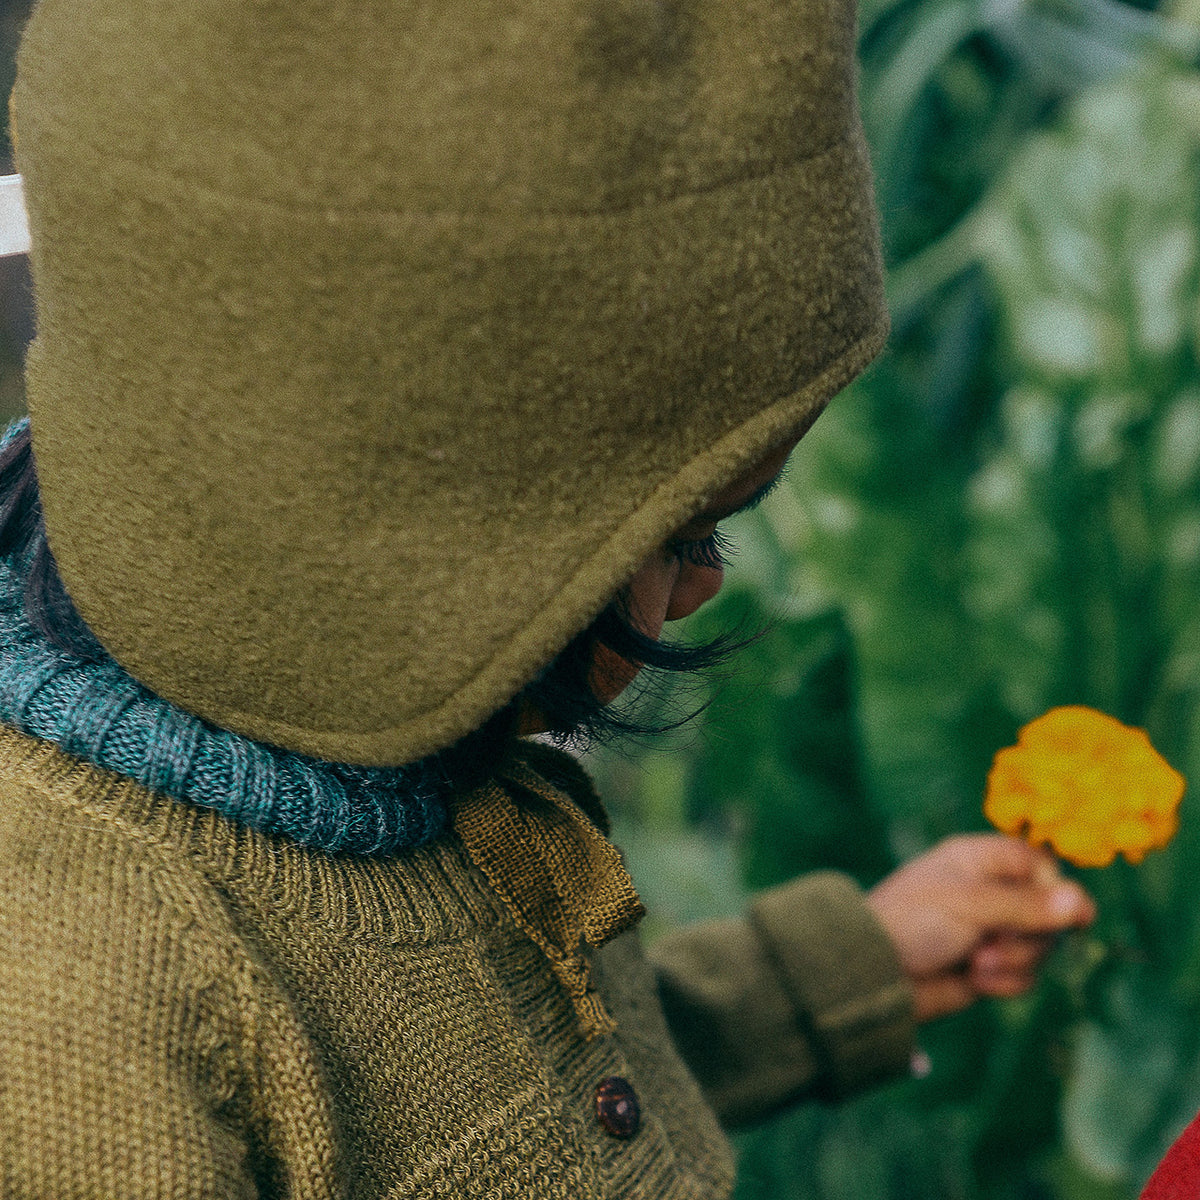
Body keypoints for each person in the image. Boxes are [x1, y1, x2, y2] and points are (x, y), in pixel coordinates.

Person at [0, 0, 1094, 1195]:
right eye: (684, 533)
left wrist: (825, 977)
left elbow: (520, 1097)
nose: (705, 586)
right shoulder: (78, 1027)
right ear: (392, 541)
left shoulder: (393, 743)